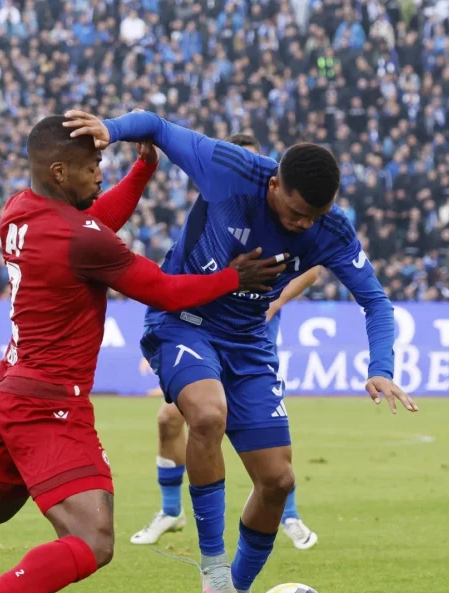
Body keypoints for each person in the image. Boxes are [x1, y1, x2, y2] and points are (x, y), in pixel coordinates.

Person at [0, 115, 286, 593]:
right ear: (59, 171)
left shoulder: (19, 210)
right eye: (93, 166)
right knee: (93, 539)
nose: (100, 173)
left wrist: (143, 169)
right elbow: (164, 290)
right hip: (48, 402)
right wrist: (233, 278)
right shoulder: (81, 238)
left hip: (9, 387)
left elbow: (95, 224)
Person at [63, 109, 417, 593]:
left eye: (314, 217)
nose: (303, 226)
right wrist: (112, 128)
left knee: (278, 481)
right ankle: (212, 563)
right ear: (274, 184)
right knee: (206, 414)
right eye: (295, 212)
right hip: (184, 320)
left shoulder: (330, 228)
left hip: (249, 341)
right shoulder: (230, 168)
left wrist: (381, 367)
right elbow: (157, 126)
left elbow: (375, 300)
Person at [132, 133, 322, 551]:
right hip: (200, 331)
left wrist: (276, 303)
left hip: (253, 334)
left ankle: (288, 513)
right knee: (174, 419)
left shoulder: (282, 220)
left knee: (265, 435)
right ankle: (172, 511)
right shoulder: (213, 217)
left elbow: (314, 267)